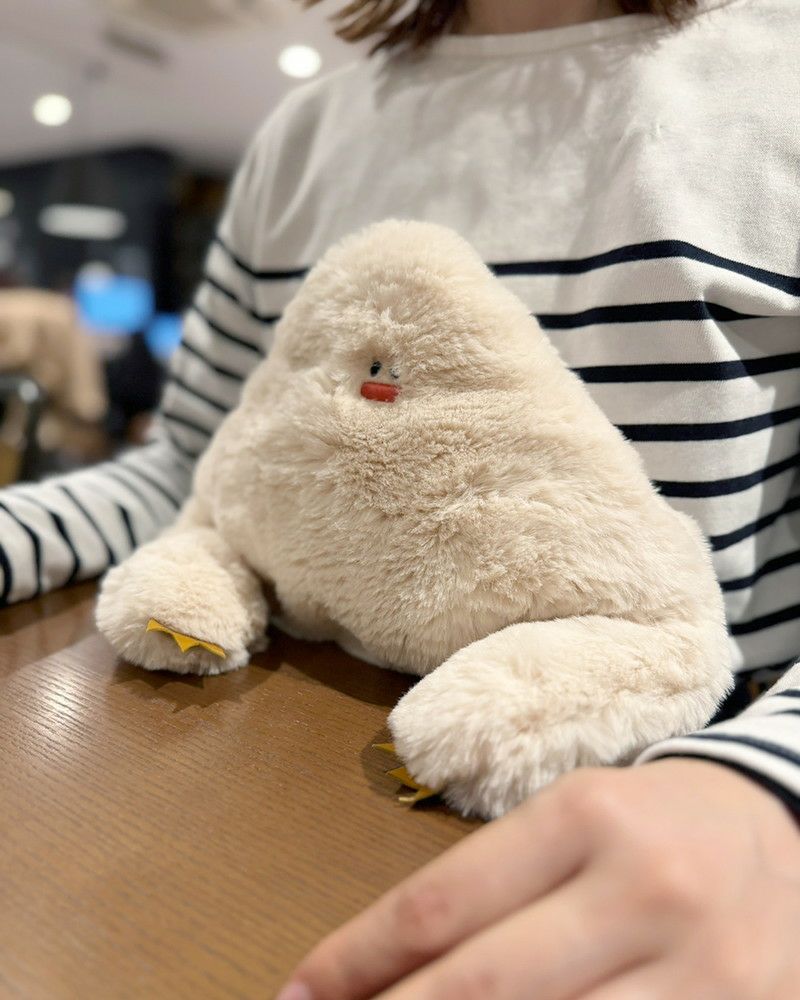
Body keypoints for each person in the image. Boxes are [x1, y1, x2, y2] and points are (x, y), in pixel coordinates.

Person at [2, 0, 799, 993]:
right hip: (243, 795)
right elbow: (189, 467)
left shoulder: (778, 84)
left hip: (660, 862)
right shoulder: (305, 137)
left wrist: (767, 794)